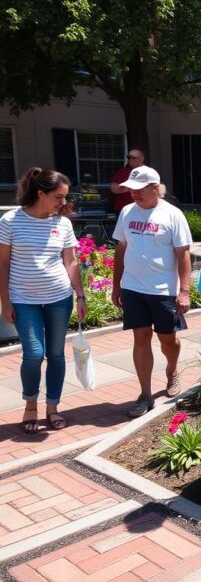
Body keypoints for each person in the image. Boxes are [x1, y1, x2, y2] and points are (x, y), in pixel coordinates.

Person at [0, 168, 85, 433]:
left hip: (59, 298)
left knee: (56, 355)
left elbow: (70, 262)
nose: (64, 203)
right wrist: (6, 302)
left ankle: (53, 407)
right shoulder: (11, 221)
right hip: (24, 300)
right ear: (41, 193)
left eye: (65, 197)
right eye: (59, 197)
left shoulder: (63, 223)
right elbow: (2, 264)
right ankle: (30, 405)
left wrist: (80, 295)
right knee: (34, 354)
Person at [110, 167, 193, 418]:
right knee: (141, 338)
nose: (133, 194)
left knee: (168, 340)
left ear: (155, 188)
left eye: (139, 189)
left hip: (163, 290)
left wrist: (185, 291)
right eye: (131, 189)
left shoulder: (172, 215)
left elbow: (183, 254)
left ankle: (172, 369)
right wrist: (116, 285)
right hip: (133, 287)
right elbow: (121, 249)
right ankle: (145, 394)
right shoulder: (126, 212)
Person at [111, 149, 145, 213]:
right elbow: (114, 189)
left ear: (141, 159)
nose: (131, 159)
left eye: (134, 158)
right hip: (123, 209)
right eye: (129, 157)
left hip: (143, 209)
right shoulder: (122, 172)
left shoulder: (148, 172)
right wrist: (132, 187)